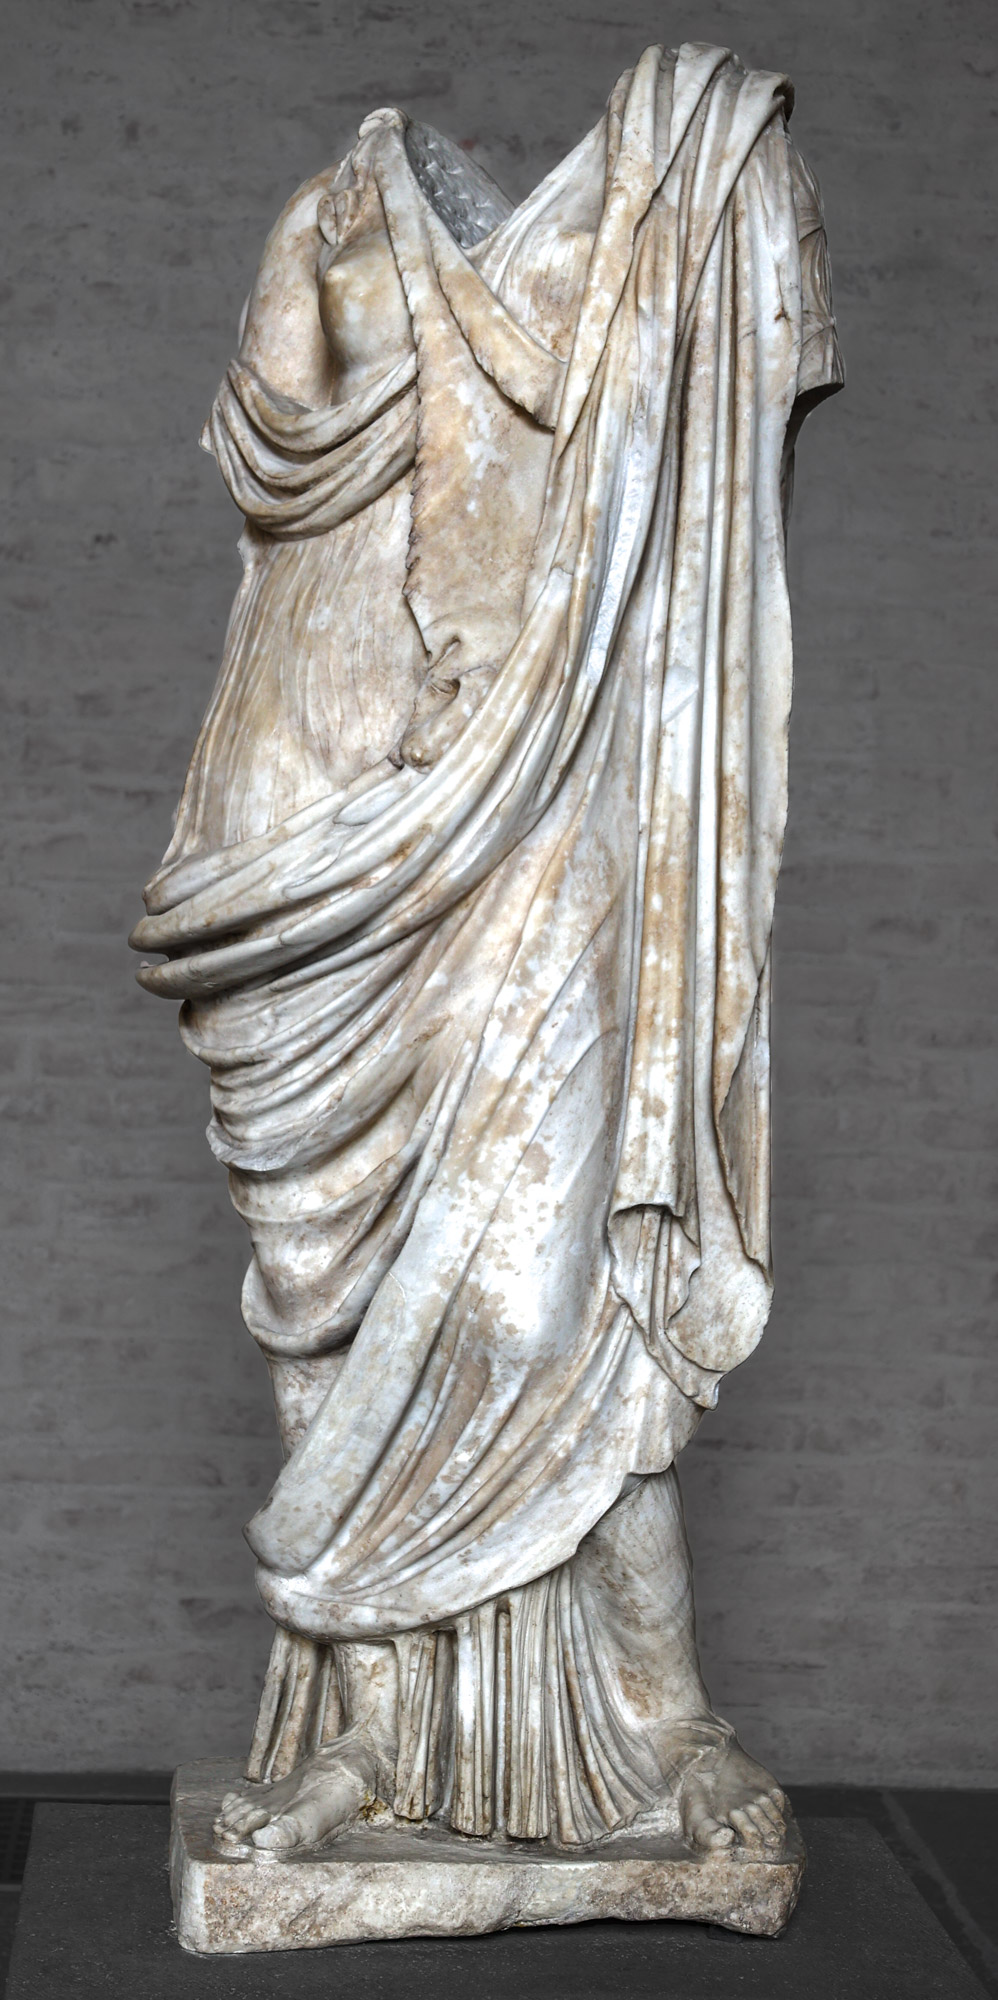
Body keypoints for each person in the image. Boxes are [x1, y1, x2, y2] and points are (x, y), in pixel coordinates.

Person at [133, 41, 842, 1859]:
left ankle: (666, 1727)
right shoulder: (339, 210)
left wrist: (710, 182)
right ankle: (366, 1741)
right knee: (320, 1296)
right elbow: (268, 456)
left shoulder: (664, 218)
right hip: (298, 836)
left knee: (554, 1299)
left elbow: (738, 422)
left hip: (525, 818)